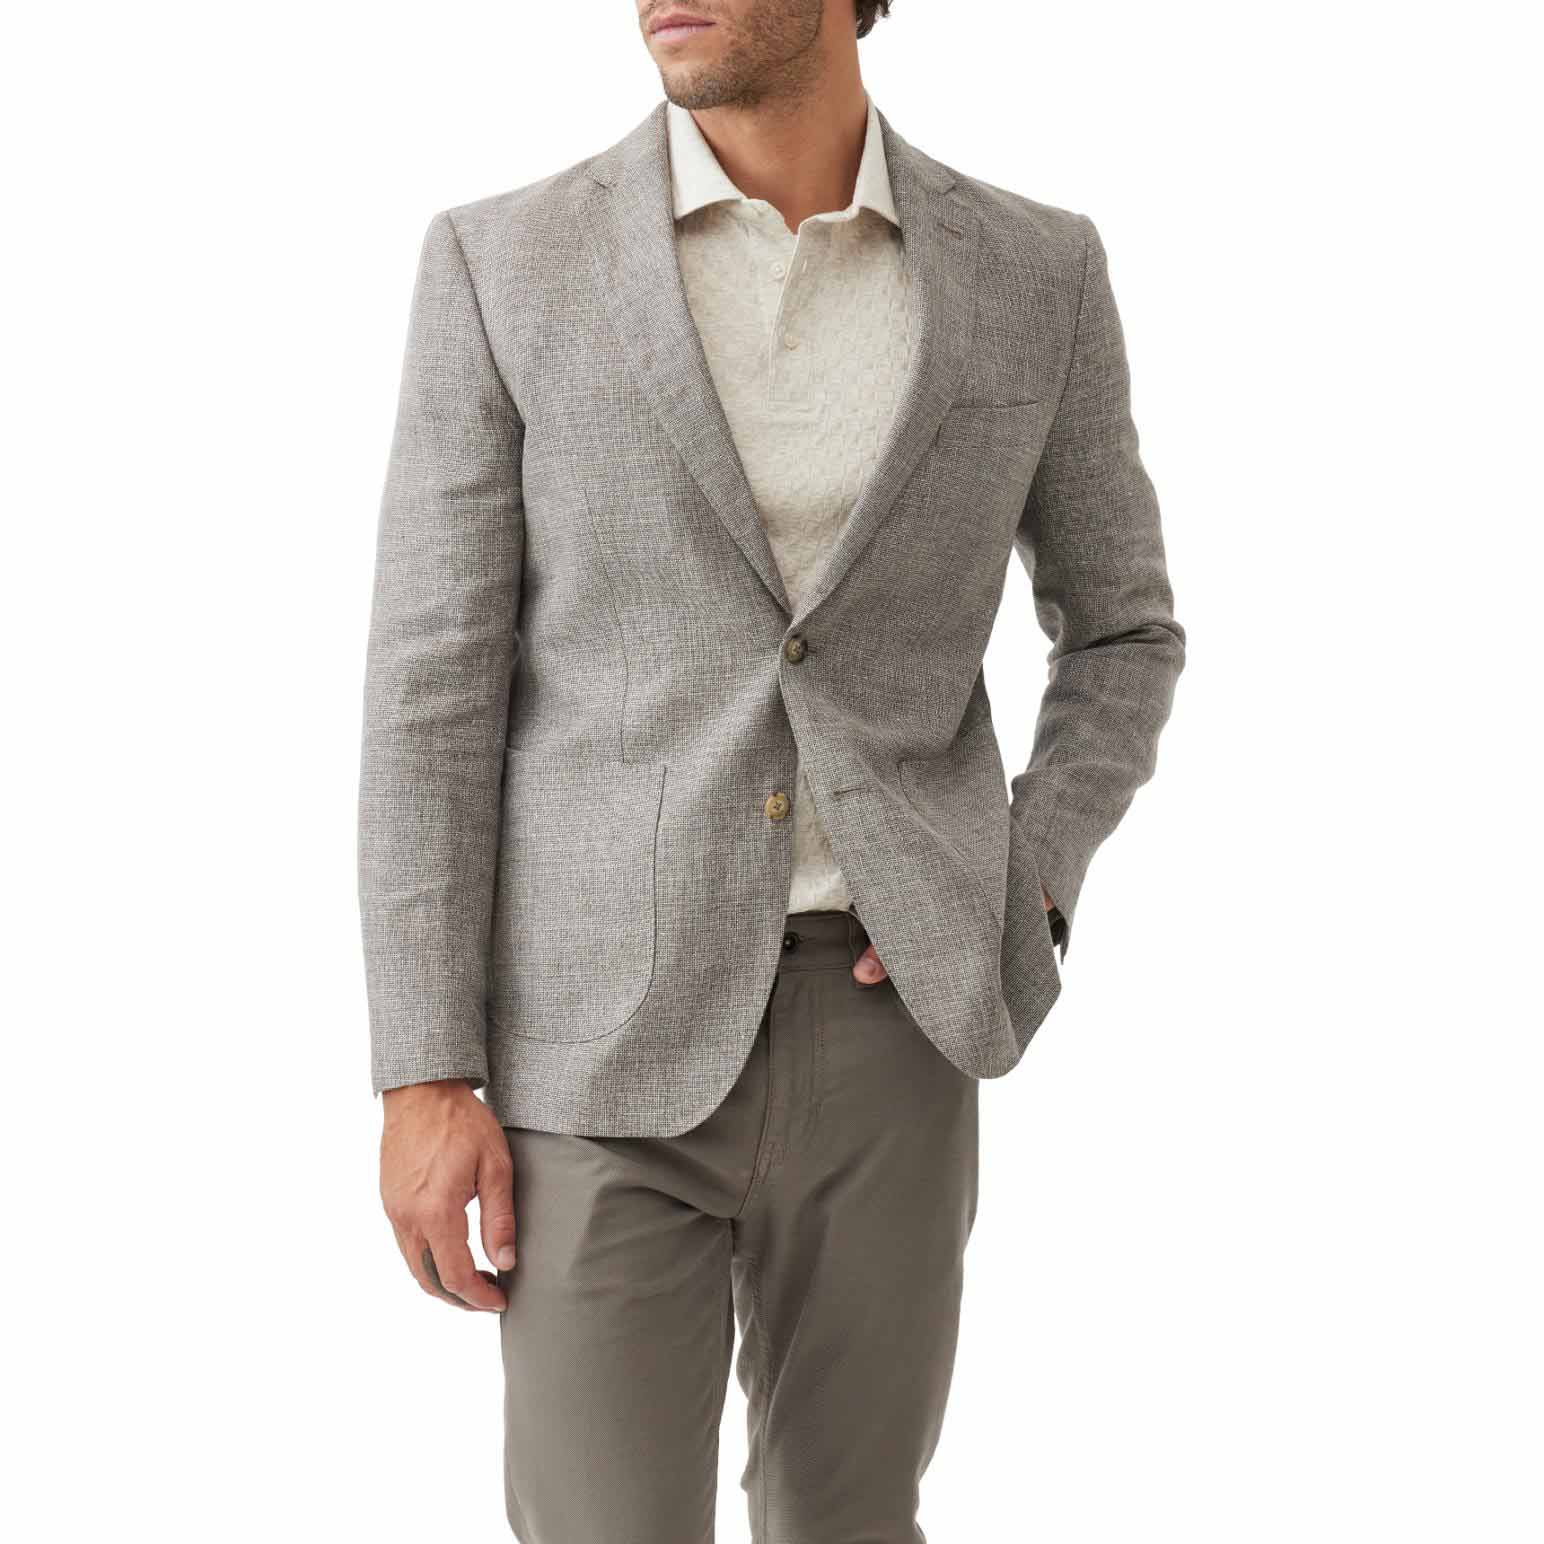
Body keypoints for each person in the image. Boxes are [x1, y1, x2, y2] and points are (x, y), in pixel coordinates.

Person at [357, 2, 1185, 1538]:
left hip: (892, 1029)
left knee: (852, 1524)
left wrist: (1027, 881)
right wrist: (423, 1072)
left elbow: (1123, 632)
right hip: (594, 1056)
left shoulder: (1031, 269)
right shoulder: (504, 261)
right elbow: (431, 694)